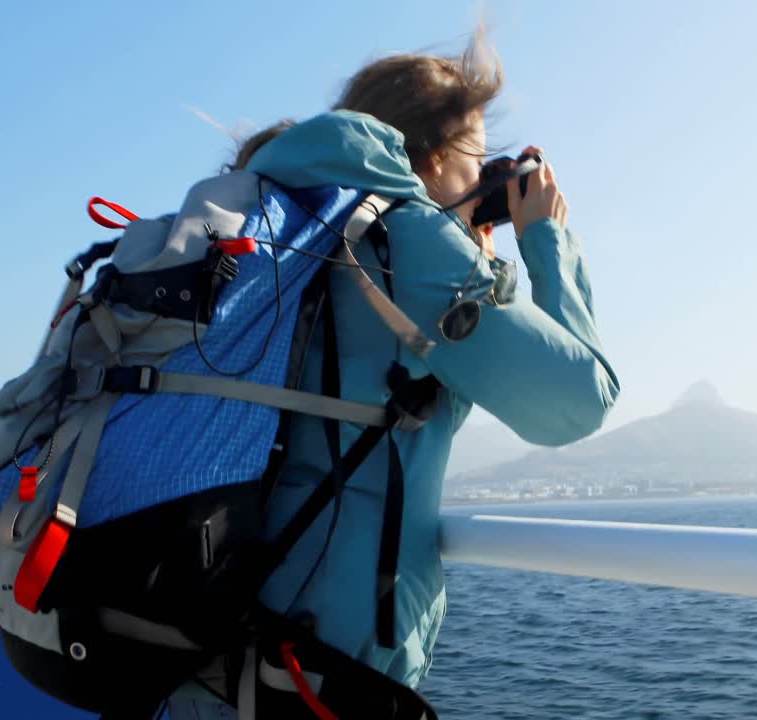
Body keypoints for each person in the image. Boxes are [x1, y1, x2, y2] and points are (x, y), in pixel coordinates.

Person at [169, 27, 620, 718]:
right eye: (478, 158)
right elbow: (578, 401)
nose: (486, 176)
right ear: (434, 160)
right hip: (314, 675)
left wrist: (470, 253)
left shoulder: (289, 227)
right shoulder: (406, 241)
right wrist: (547, 241)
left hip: (204, 653)